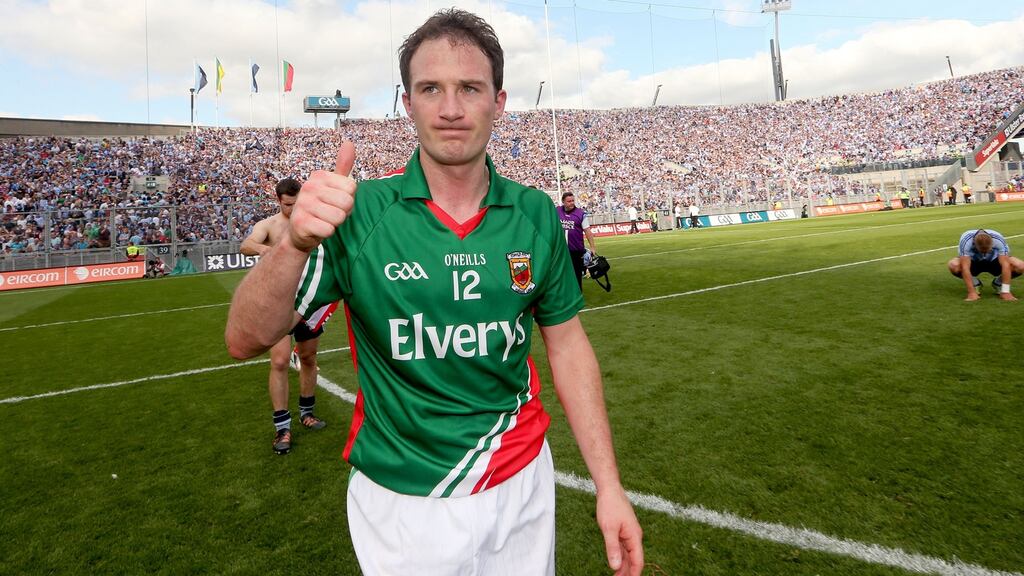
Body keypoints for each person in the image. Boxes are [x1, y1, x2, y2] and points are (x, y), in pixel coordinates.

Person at [225, 9, 642, 576]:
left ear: (499, 101)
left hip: (520, 482)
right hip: (401, 500)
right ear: (407, 102)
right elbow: (243, 338)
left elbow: (567, 346)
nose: (450, 109)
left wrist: (609, 486)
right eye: (431, 89)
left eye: (470, 88)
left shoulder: (535, 213)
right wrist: (294, 244)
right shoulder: (360, 212)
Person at [239, 177, 333, 455]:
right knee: (280, 360)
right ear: (279, 201)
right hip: (277, 301)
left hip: (308, 300)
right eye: (288, 204)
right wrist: (264, 249)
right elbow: (246, 244)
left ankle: (307, 412)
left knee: (308, 358)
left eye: (297, 203)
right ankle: (282, 427)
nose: (293, 209)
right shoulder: (269, 225)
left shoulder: (312, 223)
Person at [947, 229, 1024, 301]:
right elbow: (965, 267)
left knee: (1020, 266)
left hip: (994, 261)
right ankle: (975, 284)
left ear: (992, 243)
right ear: (974, 243)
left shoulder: (998, 239)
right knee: (953, 265)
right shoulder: (966, 240)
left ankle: (998, 284)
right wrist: (971, 292)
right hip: (974, 262)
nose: (984, 254)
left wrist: (1006, 292)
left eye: (987, 251)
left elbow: (1005, 264)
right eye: (981, 251)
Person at [557, 192, 598, 292]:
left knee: (576, 275)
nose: (571, 203)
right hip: (561, 250)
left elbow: (587, 231)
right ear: (563, 201)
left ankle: (577, 295)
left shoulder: (581, 214)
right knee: (561, 274)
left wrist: (592, 247)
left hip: (576, 250)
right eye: (569, 201)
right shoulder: (557, 210)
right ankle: (563, 295)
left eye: (572, 201)